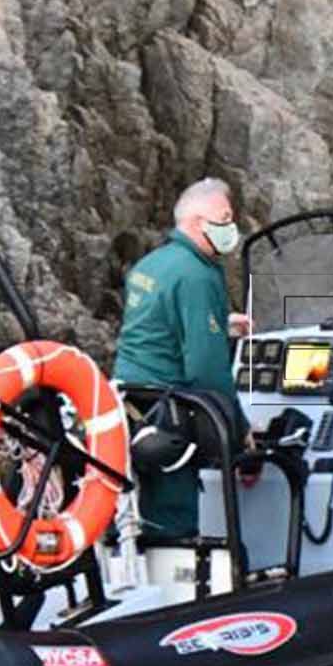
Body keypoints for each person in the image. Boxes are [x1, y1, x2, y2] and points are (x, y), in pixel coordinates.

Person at [113, 177, 252, 538]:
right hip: (170, 412)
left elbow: (158, 326)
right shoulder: (196, 276)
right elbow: (207, 370)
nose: (231, 227)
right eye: (224, 218)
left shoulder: (150, 265)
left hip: (129, 404)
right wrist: (238, 434)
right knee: (172, 516)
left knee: (133, 503)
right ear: (196, 222)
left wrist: (218, 323)